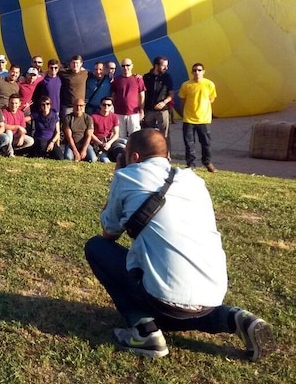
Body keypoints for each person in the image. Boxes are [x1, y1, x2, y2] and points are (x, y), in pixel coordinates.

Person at [85, 129, 273, 360]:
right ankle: (232, 317)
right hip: (211, 295)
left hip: (164, 296)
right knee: (182, 310)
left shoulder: (128, 176)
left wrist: (119, 173)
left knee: (96, 248)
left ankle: (144, 330)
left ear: (133, 157)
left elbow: (109, 232)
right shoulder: (194, 180)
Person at [178, 63, 217, 172]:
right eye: (194, 70)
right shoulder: (186, 85)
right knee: (189, 143)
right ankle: (191, 164)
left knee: (206, 143)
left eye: (199, 70)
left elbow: (212, 98)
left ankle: (207, 162)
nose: (197, 72)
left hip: (204, 119)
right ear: (192, 72)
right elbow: (183, 100)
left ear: (203, 71)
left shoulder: (209, 84)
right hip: (189, 119)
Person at [111, 58, 145, 137]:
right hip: (118, 113)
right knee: (119, 136)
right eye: (123, 66)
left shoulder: (138, 79)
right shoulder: (116, 80)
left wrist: (141, 110)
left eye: (127, 65)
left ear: (132, 66)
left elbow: (142, 96)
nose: (125, 67)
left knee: (135, 136)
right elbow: (113, 95)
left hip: (133, 113)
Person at [142, 56, 174, 141]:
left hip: (162, 111)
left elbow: (171, 94)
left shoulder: (167, 77)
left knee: (165, 135)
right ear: (156, 65)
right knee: (149, 134)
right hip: (149, 110)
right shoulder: (146, 77)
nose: (166, 68)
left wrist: (164, 102)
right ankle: (152, 153)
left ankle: (166, 154)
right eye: (164, 66)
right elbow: (142, 93)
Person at [90, 97, 125, 163]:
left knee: (125, 142)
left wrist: (109, 143)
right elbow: (90, 134)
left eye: (109, 105)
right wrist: (101, 144)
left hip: (109, 141)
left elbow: (116, 133)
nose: (106, 106)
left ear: (111, 106)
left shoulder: (114, 116)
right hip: (98, 142)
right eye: (104, 104)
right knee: (105, 161)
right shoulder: (94, 116)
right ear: (100, 105)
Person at [29, 96, 63, 160]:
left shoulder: (54, 115)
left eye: (47, 104)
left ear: (50, 105)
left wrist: (52, 142)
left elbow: (57, 132)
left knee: (60, 157)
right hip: (40, 140)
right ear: (40, 106)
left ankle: (47, 154)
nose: (45, 106)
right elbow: (25, 119)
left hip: (51, 140)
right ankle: (40, 154)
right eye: (43, 104)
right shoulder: (37, 114)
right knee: (42, 144)